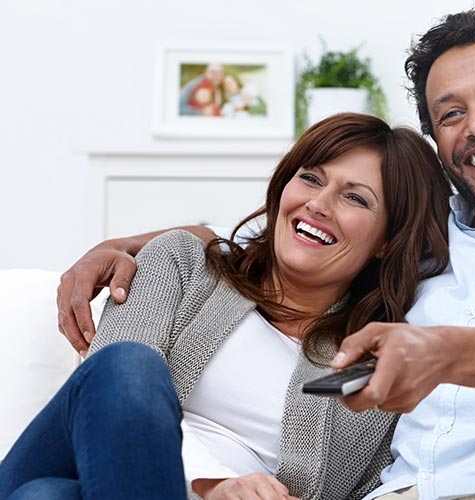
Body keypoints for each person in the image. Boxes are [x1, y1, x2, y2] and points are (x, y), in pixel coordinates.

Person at [55, 7, 475, 500]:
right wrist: (136, 245)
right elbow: (291, 237)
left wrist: (443, 353)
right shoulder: (429, 237)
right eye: (450, 114)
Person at [1, 113, 452, 499]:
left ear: (388, 240)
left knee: (46, 496)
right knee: (128, 365)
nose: (318, 204)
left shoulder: (370, 367)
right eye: (311, 178)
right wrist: (211, 484)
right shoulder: (183, 262)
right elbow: (111, 390)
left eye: (355, 198)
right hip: (96, 463)